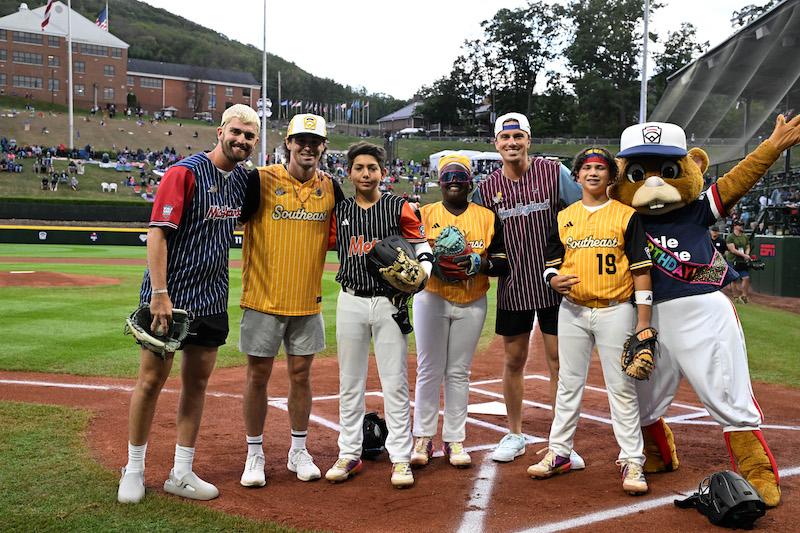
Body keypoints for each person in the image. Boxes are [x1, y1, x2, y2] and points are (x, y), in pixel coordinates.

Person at [117, 104, 259, 504]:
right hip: (171, 297)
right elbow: (158, 234)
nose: (241, 141)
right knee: (150, 381)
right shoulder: (185, 172)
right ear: (220, 131)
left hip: (212, 298)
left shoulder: (244, 182)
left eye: (249, 136)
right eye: (236, 132)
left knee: (196, 384)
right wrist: (159, 294)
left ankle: (181, 472)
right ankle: (134, 469)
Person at [527, 147, 653, 496]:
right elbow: (551, 263)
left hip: (616, 309)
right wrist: (551, 279)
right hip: (573, 310)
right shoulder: (564, 215)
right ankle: (560, 452)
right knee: (568, 383)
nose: (593, 173)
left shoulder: (627, 216)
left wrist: (644, 321)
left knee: (622, 387)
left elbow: (642, 271)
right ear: (577, 175)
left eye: (600, 168)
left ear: (611, 176)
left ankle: (632, 460)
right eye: (587, 168)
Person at [473, 112, 584, 465]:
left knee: (557, 362)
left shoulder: (554, 173)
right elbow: (480, 235)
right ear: (496, 143)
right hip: (513, 285)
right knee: (513, 359)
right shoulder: (487, 188)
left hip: (555, 282)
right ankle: (515, 433)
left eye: (518, 136)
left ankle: (560, 441)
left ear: (528, 140)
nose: (512, 143)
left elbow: (581, 211)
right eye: (505, 138)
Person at [238, 113, 343, 487]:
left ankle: (299, 450)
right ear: (288, 143)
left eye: (315, 142)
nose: (308, 147)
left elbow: (348, 237)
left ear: (324, 147)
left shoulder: (331, 188)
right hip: (263, 298)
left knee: (301, 375)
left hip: (306, 301)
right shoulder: (260, 180)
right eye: (301, 140)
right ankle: (254, 455)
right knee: (258, 376)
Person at [324, 142, 432, 488]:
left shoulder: (397, 206)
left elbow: (421, 244)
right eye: (359, 168)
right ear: (350, 172)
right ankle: (349, 453)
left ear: (382, 172)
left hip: (389, 302)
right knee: (349, 382)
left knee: (394, 382)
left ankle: (400, 458)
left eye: (372, 167)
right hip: (351, 299)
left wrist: (424, 273)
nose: (366, 174)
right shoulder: (340, 211)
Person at [411, 154, 508, 468]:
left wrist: (481, 263)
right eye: (448, 176)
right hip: (432, 297)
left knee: (459, 372)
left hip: (471, 298)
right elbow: (408, 255)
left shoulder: (488, 216)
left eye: (460, 176)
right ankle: (423, 438)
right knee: (429, 369)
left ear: (470, 181)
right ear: (439, 181)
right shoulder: (423, 214)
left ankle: (455, 439)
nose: (454, 181)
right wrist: (427, 266)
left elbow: (503, 262)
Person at [726, 220, 751, 303]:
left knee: (746, 278)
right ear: (735, 226)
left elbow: (748, 246)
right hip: (733, 260)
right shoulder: (730, 237)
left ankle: (744, 296)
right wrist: (744, 256)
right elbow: (732, 250)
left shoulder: (745, 236)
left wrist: (747, 254)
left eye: (742, 225)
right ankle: (735, 296)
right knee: (734, 279)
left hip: (742, 261)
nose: (741, 226)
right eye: (740, 225)